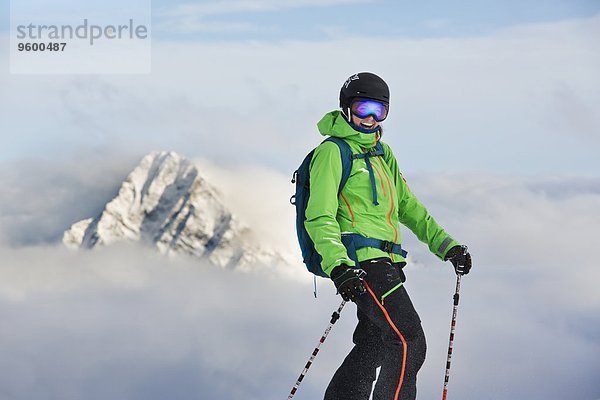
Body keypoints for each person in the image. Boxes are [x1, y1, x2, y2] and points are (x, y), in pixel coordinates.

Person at [304, 72, 472, 400]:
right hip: (361, 263)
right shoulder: (332, 152)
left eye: (378, 111)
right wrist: (338, 266)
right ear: (346, 109)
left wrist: (446, 246)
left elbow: (408, 206)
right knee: (409, 342)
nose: (369, 118)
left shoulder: (383, 154)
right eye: (363, 108)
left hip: (389, 261)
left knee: (376, 343)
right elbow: (319, 216)